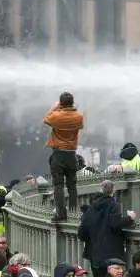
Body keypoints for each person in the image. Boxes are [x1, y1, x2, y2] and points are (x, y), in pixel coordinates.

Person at [77, 180, 136, 277]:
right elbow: (115, 223)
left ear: (101, 189)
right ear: (113, 191)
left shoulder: (91, 208)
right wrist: (130, 218)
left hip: (94, 254)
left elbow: (82, 232)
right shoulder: (113, 205)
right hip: (111, 254)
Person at [43, 92, 84, 221]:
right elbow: (80, 126)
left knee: (58, 185)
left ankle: (61, 213)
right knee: (72, 186)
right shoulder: (79, 116)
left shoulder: (56, 116)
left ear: (61, 103)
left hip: (58, 154)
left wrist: (55, 106)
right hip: (72, 154)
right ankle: (73, 213)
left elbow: (46, 118)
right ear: (72, 102)